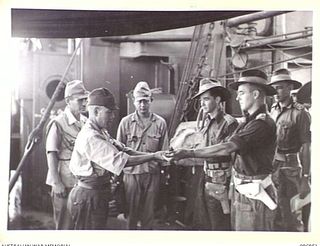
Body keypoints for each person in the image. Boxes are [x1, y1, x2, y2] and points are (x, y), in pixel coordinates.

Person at [166, 69, 278, 231]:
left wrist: (187, 153)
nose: (237, 97)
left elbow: (227, 147)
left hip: (254, 193)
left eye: (241, 93)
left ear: (255, 94)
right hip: (242, 190)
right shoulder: (248, 121)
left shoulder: (261, 124)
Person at [67, 87, 166, 230]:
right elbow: (123, 160)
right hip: (88, 196)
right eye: (109, 112)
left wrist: (156, 155)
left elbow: (125, 150)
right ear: (95, 111)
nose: (113, 116)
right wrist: (154, 156)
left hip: (97, 194)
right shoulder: (91, 137)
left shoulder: (101, 131)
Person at [116, 81, 169, 230]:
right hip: (131, 175)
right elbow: (118, 151)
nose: (142, 105)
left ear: (151, 101)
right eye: (139, 101)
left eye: (146, 101)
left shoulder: (160, 123)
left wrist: (165, 174)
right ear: (134, 102)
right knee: (131, 213)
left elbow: (164, 151)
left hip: (152, 174)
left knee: (149, 214)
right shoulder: (125, 123)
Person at [191, 78, 238, 230]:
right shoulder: (206, 122)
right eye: (201, 100)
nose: (202, 104)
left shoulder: (229, 123)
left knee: (221, 225)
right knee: (206, 223)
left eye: (206, 99)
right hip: (206, 177)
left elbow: (234, 155)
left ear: (217, 99)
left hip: (222, 182)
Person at [268, 68, 311, 231]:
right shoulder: (273, 110)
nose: (275, 92)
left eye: (279, 87)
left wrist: (305, 178)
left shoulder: (300, 113)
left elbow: (307, 147)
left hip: (292, 169)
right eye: (273, 88)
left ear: (289, 87)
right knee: (276, 213)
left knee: (293, 216)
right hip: (274, 168)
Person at [45, 80, 89, 229]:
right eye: (80, 100)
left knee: (81, 226)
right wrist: (57, 183)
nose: (84, 103)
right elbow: (51, 154)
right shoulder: (58, 123)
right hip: (65, 183)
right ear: (68, 101)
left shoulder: (85, 122)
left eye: (85, 99)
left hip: (82, 182)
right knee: (66, 226)